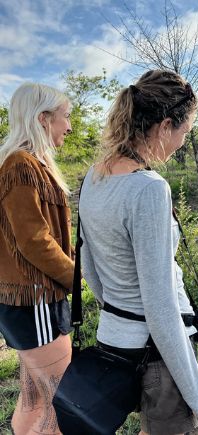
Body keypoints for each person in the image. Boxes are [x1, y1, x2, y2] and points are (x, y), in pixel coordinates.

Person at [78, 70, 198, 434]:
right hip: (156, 352)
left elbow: (89, 266)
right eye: (184, 131)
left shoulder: (94, 177)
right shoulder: (149, 189)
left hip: (113, 338)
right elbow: (160, 305)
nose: (183, 141)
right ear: (165, 124)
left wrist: (119, 313)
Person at [0, 83, 74, 435]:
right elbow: (34, 241)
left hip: (30, 301)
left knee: (34, 399)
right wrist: (77, 277)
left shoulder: (27, 164)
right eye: (66, 117)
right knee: (62, 405)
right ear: (43, 119)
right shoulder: (21, 165)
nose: (70, 126)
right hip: (36, 301)